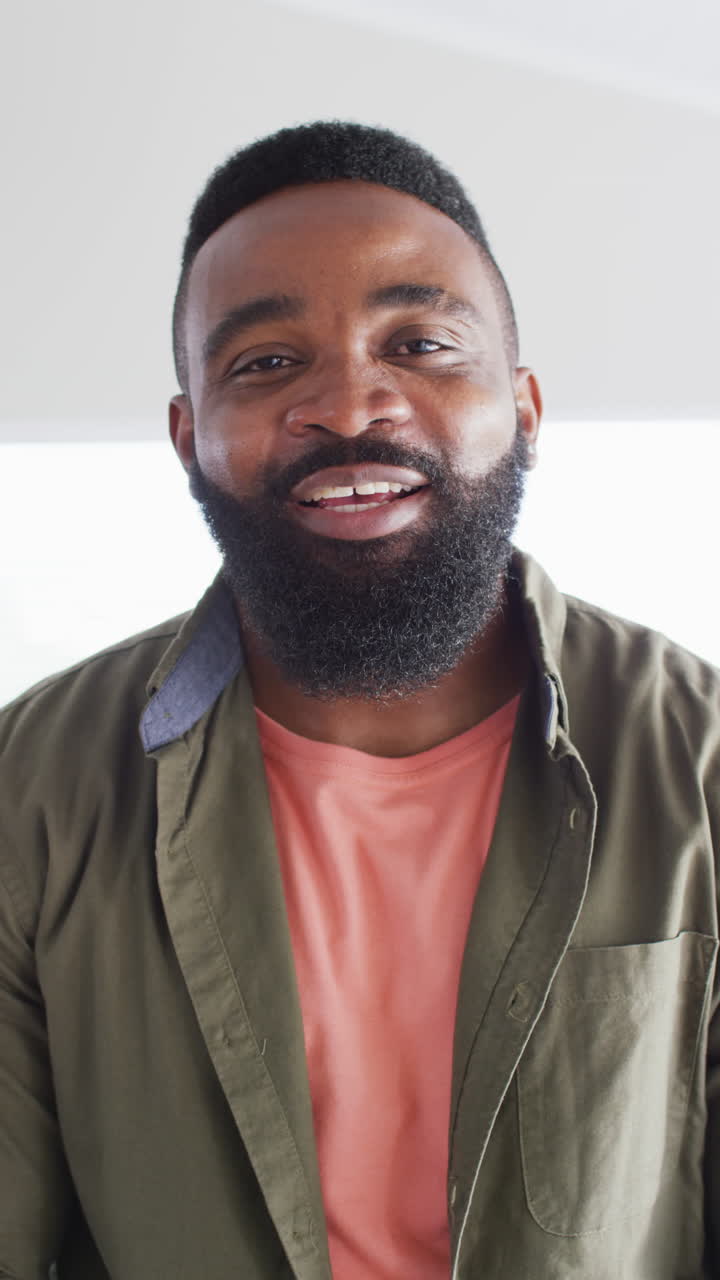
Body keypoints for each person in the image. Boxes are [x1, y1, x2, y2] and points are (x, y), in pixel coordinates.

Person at [0, 120, 718, 1280]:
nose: (349, 403)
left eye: (420, 343)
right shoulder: (32, 785)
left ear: (524, 406)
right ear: (187, 435)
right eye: (265, 363)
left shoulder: (698, 757)